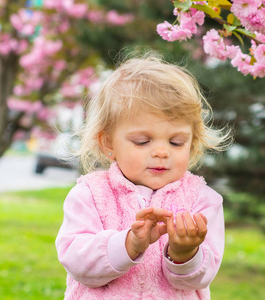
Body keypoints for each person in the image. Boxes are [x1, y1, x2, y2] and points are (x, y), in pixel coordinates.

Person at [55, 53, 232, 299]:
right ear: (108, 143)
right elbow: (75, 260)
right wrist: (128, 244)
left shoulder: (202, 201)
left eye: (176, 142)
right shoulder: (90, 194)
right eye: (142, 141)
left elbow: (202, 277)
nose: (161, 152)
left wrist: (184, 252)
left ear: (192, 143)